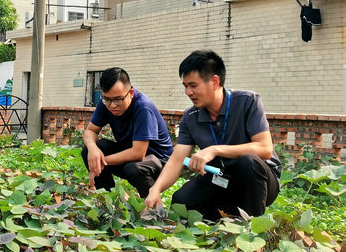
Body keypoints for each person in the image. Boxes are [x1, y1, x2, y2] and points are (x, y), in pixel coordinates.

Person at [144, 50, 281, 220]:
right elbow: (177, 159)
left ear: (215, 82)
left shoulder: (247, 101)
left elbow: (265, 148)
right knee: (182, 201)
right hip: (221, 177)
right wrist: (155, 189)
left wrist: (215, 150)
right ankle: (223, 223)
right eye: (185, 86)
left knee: (247, 161)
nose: (188, 92)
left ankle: (253, 229)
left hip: (260, 181)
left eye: (193, 85)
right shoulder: (191, 116)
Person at [82, 67, 173, 197]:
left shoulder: (143, 107)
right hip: (130, 156)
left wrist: (98, 163)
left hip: (159, 163)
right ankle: (106, 199)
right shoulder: (106, 103)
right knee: (91, 149)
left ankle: (152, 207)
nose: (112, 105)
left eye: (118, 99)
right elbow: (90, 131)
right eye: (107, 99)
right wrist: (92, 149)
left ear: (130, 93)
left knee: (133, 168)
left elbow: (138, 153)